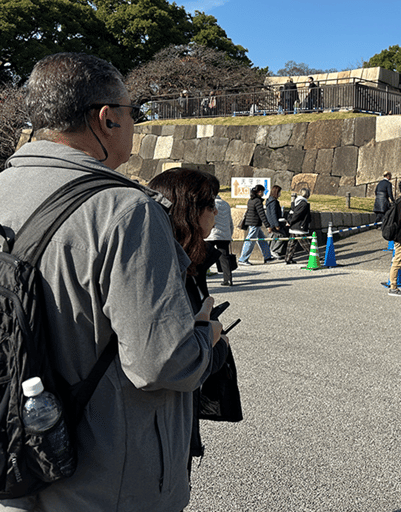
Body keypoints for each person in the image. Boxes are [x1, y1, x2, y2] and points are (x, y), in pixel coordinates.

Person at [0, 52, 222, 511]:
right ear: (107, 119)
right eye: (131, 112)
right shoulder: (125, 211)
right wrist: (205, 334)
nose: (134, 123)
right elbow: (161, 363)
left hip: (16, 450)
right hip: (107, 478)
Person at [147, 169, 233, 473]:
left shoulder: (192, 261)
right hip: (157, 427)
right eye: (210, 203)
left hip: (178, 417)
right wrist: (212, 339)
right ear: (188, 211)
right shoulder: (163, 271)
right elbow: (171, 363)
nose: (217, 209)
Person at [238, 184, 274, 265]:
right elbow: (262, 214)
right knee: (250, 241)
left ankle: (267, 257)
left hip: (253, 223)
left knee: (262, 240)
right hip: (254, 224)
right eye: (262, 191)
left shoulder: (251, 200)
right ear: (259, 192)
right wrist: (268, 226)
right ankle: (243, 259)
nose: (263, 193)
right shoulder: (258, 201)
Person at [205, 192, 236, 286]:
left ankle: (201, 278)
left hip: (211, 234)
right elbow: (230, 221)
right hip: (224, 235)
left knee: (206, 256)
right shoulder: (226, 204)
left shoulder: (209, 203)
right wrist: (230, 234)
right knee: (224, 258)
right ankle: (228, 280)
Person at [285, 188, 312, 265]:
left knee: (292, 243)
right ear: (307, 195)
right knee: (305, 243)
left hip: (294, 226)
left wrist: (289, 221)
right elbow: (297, 215)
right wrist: (290, 221)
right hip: (299, 225)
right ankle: (314, 256)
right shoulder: (303, 203)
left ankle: (288, 258)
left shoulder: (296, 202)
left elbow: (292, 212)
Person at [265, 185, 288, 259]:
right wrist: (276, 224)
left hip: (270, 223)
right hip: (274, 223)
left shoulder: (269, 200)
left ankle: (270, 251)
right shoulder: (274, 202)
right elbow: (273, 214)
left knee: (273, 236)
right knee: (282, 235)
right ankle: (274, 250)